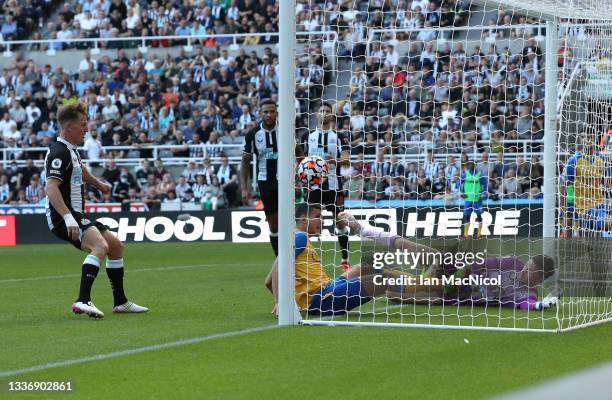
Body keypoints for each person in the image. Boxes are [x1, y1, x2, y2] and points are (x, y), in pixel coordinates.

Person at [44, 102, 148, 318]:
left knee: (115, 246)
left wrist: (99, 184)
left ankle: (120, 302)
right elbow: (50, 188)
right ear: (69, 127)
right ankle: (82, 300)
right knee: (99, 246)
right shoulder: (58, 153)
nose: (87, 129)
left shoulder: (70, 152)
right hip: (64, 215)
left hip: (77, 215)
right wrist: (67, 217)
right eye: (83, 125)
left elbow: (79, 171)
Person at [264, 204, 441, 316]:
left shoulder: (296, 238)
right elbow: (280, 266)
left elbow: (268, 281)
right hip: (322, 299)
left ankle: (424, 284)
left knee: (365, 267)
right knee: (382, 279)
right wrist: (281, 303)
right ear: (303, 219)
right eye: (318, 216)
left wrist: (288, 299)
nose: (322, 221)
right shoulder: (300, 237)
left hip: (327, 289)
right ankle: (439, 286)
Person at [240, 99, 304, 256]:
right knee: (273, 225)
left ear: (277, 113)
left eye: (272, 111)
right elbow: (245, 162)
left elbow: (300, 155)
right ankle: (279, 258)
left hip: (286, 182)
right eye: (265, 112)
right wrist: (244, 188)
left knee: (292, 221)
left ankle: (296, 257)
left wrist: (299, 180)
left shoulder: (286, 130)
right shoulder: (253, 134)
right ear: (260, 114)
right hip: (265, 183)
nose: (269, 115)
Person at [300, 101, 351, 270]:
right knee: (309, 222)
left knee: (340, 222)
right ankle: (306, 258)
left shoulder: (339, 136)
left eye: (327, 111)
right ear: (317, 115)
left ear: (331, 115)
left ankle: (344, 259)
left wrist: (333, 160)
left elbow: (346, 160)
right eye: (321, 111)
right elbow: (301, 161)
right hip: (314, 187)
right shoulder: (307, 137)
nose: (324, 113)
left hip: (334, 186)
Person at [561, 131, 612, 235]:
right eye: (584, 137)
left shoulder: (602, 159)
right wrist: (565, 213)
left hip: (600, 205)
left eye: (590, 136)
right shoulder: (574, 160)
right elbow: (563, 186)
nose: (587, 139)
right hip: (583, 208)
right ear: (580, 140)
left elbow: (608, 184)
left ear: (594, 139)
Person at [461, 160, 488, 239]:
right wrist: (461, 192)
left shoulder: (480, 174)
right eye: (469, 164)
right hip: (468, 199)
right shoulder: (465, 174)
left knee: (479, 215)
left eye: (472, 164)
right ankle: (466, 235)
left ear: (474, 165)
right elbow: (459, 183)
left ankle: (479, 235)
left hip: (477, 199)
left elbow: (485, 185)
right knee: (466, 216)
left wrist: (484, 194)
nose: (470, 166)